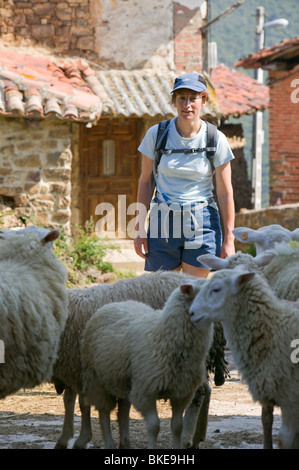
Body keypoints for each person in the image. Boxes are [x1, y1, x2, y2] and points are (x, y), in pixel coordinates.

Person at [134, 72, 235, 278]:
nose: (187, 104)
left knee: (193, 294)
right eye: (181, 97)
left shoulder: (215, 138)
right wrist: (139, 229)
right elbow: (145, 182)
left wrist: (229, 239)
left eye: (193, 97)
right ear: (174, 101)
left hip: (202, 222)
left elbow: (225, 193)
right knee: (164, 296)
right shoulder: (157, 134)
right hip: (163, 221)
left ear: (204, 100)